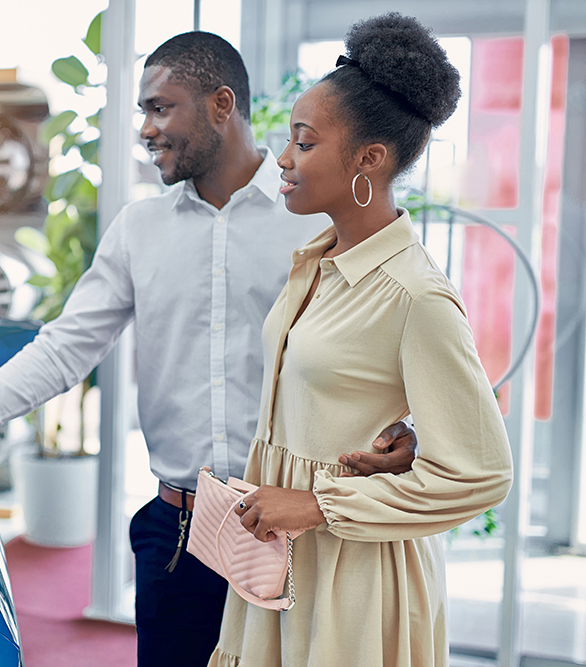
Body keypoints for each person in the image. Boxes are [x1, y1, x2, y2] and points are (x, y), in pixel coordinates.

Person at [0, 31, 418, 667]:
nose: (145, 128)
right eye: (143, 110)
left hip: (294, 532)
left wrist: (410, 425)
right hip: (179, 536)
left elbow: (398, 336)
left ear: (222, 105)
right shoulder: (139, 230)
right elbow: (63, 349)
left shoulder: (317, 219)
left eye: (160, 107)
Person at [210, 13, 514, 667]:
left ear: (368, 160)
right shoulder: (313, 262)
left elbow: (483, 474)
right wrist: (398, 427)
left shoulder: (416, 295)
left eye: (305, 142)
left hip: (356, 581)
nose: (283, 159)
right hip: (279, 560)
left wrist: (318, 503)